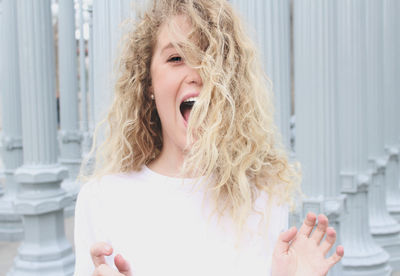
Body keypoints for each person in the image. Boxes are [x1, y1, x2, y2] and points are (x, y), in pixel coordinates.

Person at [73, 0, 344, 275]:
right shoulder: (100, 200)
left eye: (210, 58)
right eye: (176, 58)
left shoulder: (263, 197)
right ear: (148, 84)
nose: (196, 74)